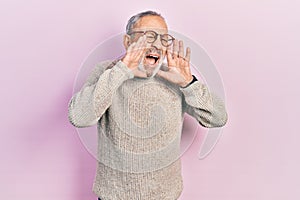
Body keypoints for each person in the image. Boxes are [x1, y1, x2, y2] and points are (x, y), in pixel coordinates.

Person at [68, 10, 228, 200]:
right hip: (114, 196)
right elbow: (79, 117)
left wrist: (189, 83)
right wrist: (122, 71)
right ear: (128, 42)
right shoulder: (106, 72)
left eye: (164, 38)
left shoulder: (175, 78)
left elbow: (218, 118)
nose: (157, 45)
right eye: (148, 36)